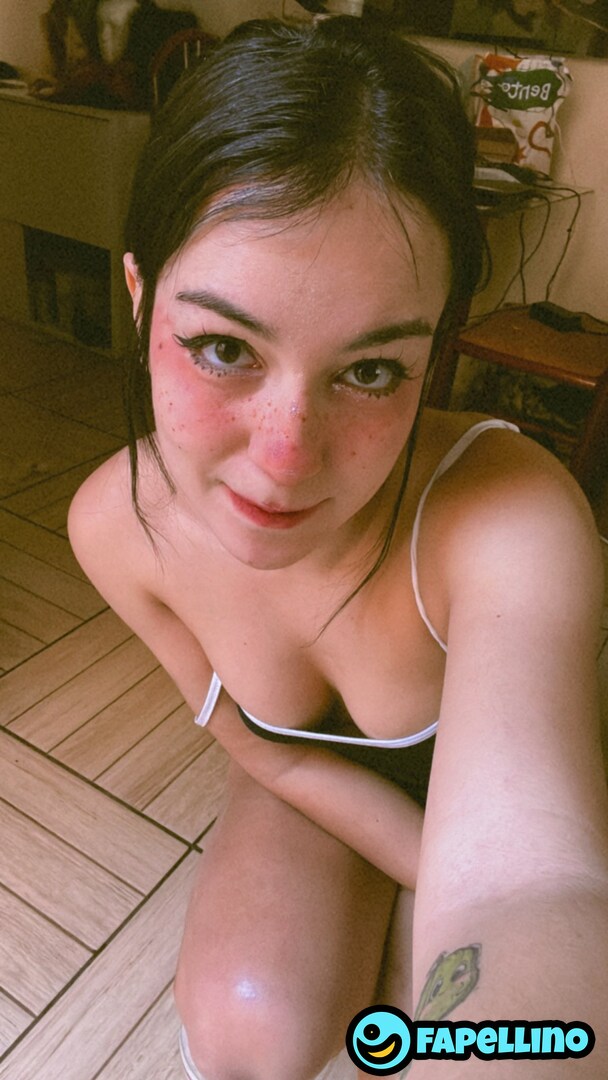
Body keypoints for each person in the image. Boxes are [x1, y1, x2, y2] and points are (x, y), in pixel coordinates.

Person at [67, 15, 608, 1079]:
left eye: (369, 371)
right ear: (139, 299)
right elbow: (264, 749)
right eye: (222, 347)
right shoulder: (113, 528)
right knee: (249, 1031)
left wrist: (464, 957)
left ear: (433, 350)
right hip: (320, 786)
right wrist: (424, 875)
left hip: (538, 779)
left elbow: (530, 882)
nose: (284, 461)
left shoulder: (511, 519)